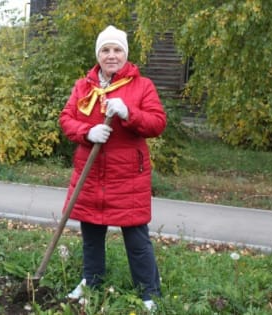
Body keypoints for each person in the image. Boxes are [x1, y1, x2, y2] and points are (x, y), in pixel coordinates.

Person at [59, 25, 166, 311]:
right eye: (105, 50)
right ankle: (90, 280)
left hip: (128, 177)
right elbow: (67, 119)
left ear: (125, 54)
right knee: (91, 235)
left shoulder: (142, 86)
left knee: (137, 240)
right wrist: (87, 132)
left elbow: (157, 123)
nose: (111, 55)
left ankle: (148, 293)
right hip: (91, 174)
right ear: (98, 54)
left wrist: (130, 113)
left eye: (117, 49)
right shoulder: (84, 86)